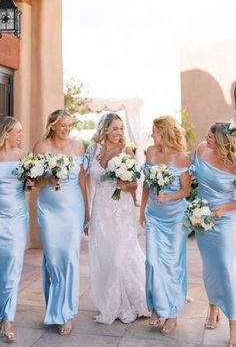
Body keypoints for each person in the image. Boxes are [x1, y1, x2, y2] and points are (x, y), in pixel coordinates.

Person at [87, 112, 149, 324]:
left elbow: (134, 184)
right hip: (100, 211)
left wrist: (124, 185)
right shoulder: (93, 149)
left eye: (121, 129)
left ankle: (132, 302)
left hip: (121, 210)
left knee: (119, 259)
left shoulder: (126, 151)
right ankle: (110, 301)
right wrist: (87, 214)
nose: (118, 133)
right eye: (114, 128)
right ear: (104, 129)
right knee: (105, 256)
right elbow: (88, 182)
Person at [33, 109, 89, 335]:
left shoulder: (78, 147)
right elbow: (33, 181)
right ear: (53, 125)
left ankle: (65, 313)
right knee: (53, 260)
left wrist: (87, 210)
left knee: (69, 257)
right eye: (63, 125)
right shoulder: (40, 147)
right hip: (48, 208)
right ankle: (53, 307)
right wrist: (48, 179)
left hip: (73, 207)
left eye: (70, 125)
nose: (67, 129)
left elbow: (83, 180)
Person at [139, 115, 191, 334]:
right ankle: (157, 306)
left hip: (175, 217)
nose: (152, 134)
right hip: (154, 215)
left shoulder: (182, 157)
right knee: (152, 261)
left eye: (154, 130)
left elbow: (186, 190)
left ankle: (171, 313)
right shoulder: (151, 152)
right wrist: (141, 211)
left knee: (172, 264)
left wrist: (168, 199)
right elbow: (147, 186)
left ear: (164, 132)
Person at [193, 121, 236, 347]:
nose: (205, 139)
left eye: (210, 138)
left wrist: (223, 209)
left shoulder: (234, 163)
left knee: (226, 270)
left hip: (225, 219)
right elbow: (192, 177)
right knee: (209, 267)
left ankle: (234, 324)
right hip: (202, 219)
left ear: (220, 141)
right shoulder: (201, 149)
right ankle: (212, 308)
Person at [0, 116, 28, 343]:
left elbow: (30, 185)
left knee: (13, 264)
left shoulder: (23, 156)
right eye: (17, 131)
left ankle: (8, 319)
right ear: (6, 133)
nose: (21, 135)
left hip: (17, 218)